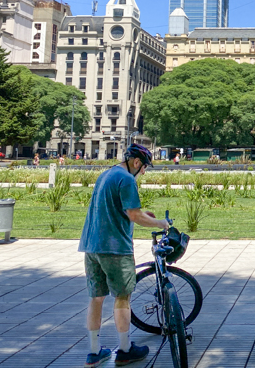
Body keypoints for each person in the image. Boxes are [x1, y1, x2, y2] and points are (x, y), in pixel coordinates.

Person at [78, 143, 169, 367]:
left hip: (91, 246)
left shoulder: (106, 174)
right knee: (122, 297)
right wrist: (160, 223)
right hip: (115, 248)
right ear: (136, 162)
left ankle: (94, 351)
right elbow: (134, 215)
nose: (144, 172)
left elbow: (121, 211)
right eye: (145, 167)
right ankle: (125, 349)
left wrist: (139, 214)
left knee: (96, 298)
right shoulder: (127, 179)